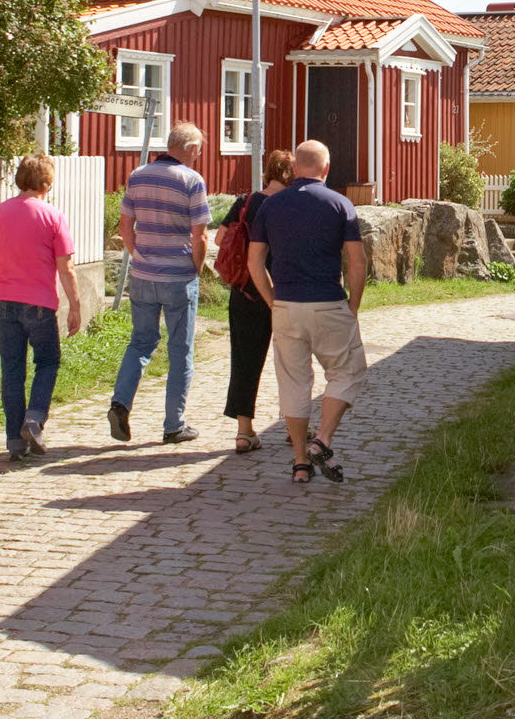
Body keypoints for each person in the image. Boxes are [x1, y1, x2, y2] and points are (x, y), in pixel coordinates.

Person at [246, 138, 368, 486]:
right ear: (326, 169)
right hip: (329, 302)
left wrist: (272, 301)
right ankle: (323, 439)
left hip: (286, 305)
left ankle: (300, 462)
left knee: (293, 383)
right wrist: (353, 305)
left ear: (296, 168)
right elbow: (357, 263)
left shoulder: (270, 206)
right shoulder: (341, 204)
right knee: (348, 371)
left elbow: (254, 262)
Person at [0, 155, 83, 463]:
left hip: (5, 303)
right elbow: (67, 266)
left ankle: (14, 442)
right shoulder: (53, 216)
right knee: (47, 362)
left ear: (19, 180)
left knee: (11, 370)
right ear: (47, 184)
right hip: (39, 304)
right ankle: (33, 419)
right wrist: (75, 306)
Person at [111, 120, 210, 444]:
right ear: (192, 149)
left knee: (140, 342)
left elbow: (126, 225)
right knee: (180, 349)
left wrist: (137, 255)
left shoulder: (138, 176)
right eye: (198, 151)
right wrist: (195, 269)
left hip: (143, 274)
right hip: (178, 275)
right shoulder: (191, 180)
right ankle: (173, 424)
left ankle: (120, 402)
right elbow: (201, 236)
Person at [219, 148, 293, 453]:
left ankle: (244, 430)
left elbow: (221, 237)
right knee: (292, 363)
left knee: (245, 361)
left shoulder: (246, 201)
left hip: (245, 292)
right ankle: (294, 425)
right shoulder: (289, 205)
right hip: (285, 292)